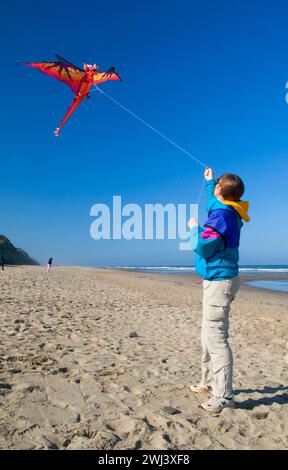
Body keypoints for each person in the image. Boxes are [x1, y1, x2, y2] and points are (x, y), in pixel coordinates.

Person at [188, 167, 250, 413]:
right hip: (217, 278)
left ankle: (224, 395)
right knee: (207, 333)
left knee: (216, 338)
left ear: (221, 192)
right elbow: (215, 201)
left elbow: (202, 246)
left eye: (216, 188)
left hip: (220, 281)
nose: (214, 192)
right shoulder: (228, 208)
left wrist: (193, 227)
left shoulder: (223, 216)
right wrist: (208, 181)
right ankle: (207, 382)